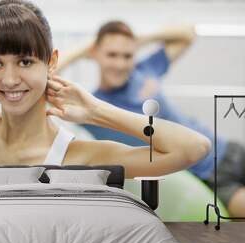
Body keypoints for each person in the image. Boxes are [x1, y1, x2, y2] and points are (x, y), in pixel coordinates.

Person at [0, 0, 210, 198]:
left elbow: (194, 148)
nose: (10, 79)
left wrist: (95, 111)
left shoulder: (80, 155)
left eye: (25, 62)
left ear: (52, 63)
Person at [56, 20, 245, 217]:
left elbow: (187, 34)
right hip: (209, 176)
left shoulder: (144, 70)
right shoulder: (92, 108)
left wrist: (141, 40)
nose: (120, 64)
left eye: (127, 56)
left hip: (227, 149)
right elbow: (49, 76)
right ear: (95, 53)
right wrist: (84, 49)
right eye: (112, 55)